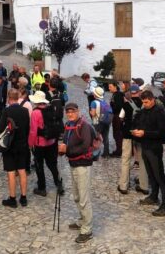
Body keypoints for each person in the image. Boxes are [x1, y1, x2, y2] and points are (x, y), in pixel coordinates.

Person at [58, 102, 94, 244]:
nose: (70, 114)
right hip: (73, 163)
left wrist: (67, 151)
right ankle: (82, 220)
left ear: (78, 111)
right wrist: (62, 150)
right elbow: (67, 143)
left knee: (84, 198)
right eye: (68, 112)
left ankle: (87, 229)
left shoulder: (84, 126)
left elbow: (85, 147)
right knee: (77, 196)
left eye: (72, 111)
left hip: (83, 166)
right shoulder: (68, 125)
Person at [132, 90, 165, 216]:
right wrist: (136, 131)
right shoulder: (144, 111)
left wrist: (145, 133)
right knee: (151, 174)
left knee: (159, 176)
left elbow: (163, 135)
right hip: (145, 147)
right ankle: (154, 196)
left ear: (152, 99)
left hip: (154, 149)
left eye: (147, 102)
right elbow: (141, 125)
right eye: (143, 102)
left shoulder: (160, 113)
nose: (145, 104)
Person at [0, 89, 31, 208]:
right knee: (22, 170)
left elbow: (0, 128)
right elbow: (28, 128)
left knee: (11, 172)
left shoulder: (7, 111)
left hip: (10, 146)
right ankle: (23, 197)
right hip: (22, 145)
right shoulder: (25, 111)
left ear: (8, 98)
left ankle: (12, 198)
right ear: (18, 98)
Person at [28, 91, 63, 197]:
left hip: (40, 143)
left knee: (39, 165)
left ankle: (42, 188)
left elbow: (33, 131)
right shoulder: (51, 108)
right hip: (51, 141)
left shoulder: (35, 112)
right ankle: (58, 183)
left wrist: (30, 144)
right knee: (52, 164)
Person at [117, 85, 148, 195]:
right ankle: (144, 185)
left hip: (128, 134)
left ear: (130, 92)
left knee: (126, 159)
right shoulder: (145, 104)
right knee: (142, 160)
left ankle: (124, 185)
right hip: (140, 135)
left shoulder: (126, 104)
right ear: (139, 92)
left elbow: (120, 118)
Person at [89, 87, 111, 158]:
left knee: (96, 138)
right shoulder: (105, 102)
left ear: (95, 94)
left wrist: (90, 111)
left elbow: (93, 113)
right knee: (105, 137)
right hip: (106, 122)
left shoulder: (94, 102)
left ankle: (95, 154)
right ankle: (106, 153)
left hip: (97, 123)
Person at [108, 82, 124, 157]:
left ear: (115, 87)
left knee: (117, 134)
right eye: (109, 87)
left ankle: (119, 151)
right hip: (116, 115)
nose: (109, 88)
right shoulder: (116, 94)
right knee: (117, 133)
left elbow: (118, 106)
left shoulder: (118, 95)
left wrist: (111, 109)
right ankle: (119, 149)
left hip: (117, 116)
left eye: (110, 87)